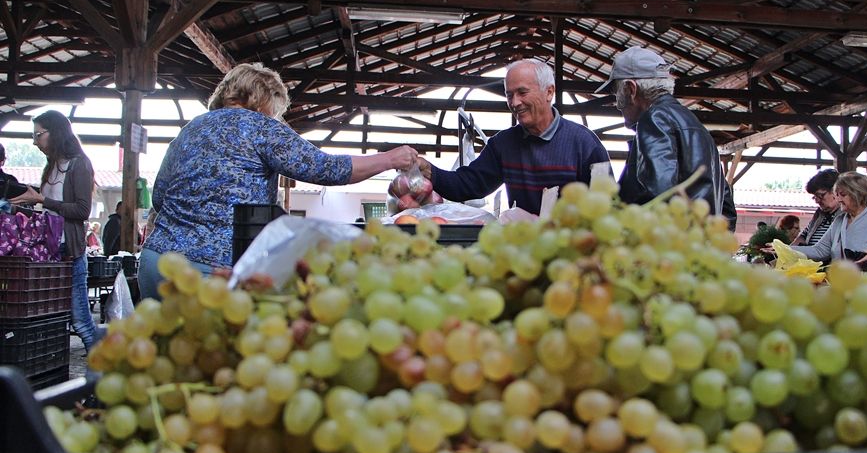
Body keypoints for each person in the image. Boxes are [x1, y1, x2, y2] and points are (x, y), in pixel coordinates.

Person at [138, 62, 420, 300]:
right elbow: (324, 168)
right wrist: (389, 159)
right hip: (207, 272)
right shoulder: (259, 126)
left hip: (155, 263)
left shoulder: (193, 127)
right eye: (274, 107)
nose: (275, 115)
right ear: (262, 100)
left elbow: (160, 197)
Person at [416, 59, 612, 215]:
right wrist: (429, 171)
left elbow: (607, 205)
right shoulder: (503, 145)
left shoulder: (585, 144)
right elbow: (468, 185)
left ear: (549, 92)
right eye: (509, 95)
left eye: (522, 92)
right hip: (522, 252)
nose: (515, 102)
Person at [596, 46, 730, 222]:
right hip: (695, 244)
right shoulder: (696, 125)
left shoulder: (655, 119)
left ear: (631, 89)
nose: (617, 104)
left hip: (665, 243)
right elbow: (727, 207)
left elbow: (657, 193)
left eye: (616, 94)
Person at [9, 110, 97, 351]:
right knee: (53, 316)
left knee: (80, 321)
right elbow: (49, 212)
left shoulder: (79, 164)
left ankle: (100, 374)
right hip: (49, 251)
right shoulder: (52, 166)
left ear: (55, 132)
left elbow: (81, 210)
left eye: (39, 135)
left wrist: (43, 200)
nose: (35, 142)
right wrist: (29, 202)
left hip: (70, 252)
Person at [792, 171, 867, 270]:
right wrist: (785, 249)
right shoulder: (839, 220)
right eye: (837, 194)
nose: (838, 199)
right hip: (840, 284)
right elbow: (820, 250)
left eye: (843, 195)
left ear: (859, 194)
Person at [793, 168, 840, 246]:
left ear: (835, 191)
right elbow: (803, 236)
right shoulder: (819, 214)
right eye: (815, 196)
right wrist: (785, 250)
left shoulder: (846, 216)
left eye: (821, 195)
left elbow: (823, 251)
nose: (817, 201)